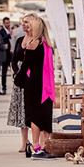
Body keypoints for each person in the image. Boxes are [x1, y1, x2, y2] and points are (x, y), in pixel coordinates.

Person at [19, 13, 56, 158]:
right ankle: (36, 146)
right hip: (36, 85)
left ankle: (43, 146)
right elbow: (26, 66)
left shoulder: (42, 43)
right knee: (37, 116)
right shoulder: (37, 44)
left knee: (44, 116)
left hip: (40, 84)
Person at [8, 18, 30, 157]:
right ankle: (24, 142)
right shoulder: (19, 40)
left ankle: (38, 142)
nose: (24, 25)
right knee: (21, 111)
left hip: (32, 78)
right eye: (23, 23)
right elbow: (14, 59)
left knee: (31, 111)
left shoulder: (38, 41)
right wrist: (17, 72)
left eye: (27, 23)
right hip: (19, 79)